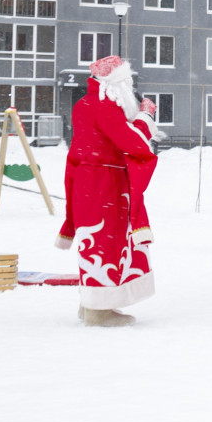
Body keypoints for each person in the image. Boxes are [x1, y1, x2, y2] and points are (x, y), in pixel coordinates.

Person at [54, 56, 160, 327]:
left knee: (95, 241)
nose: (131, 87)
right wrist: (145, 117)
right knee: (106, 242)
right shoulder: (105, 106)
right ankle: (98, 311)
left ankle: (90, 303)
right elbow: (133, 141)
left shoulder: (83, 104)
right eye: (127, 82)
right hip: (105, 183)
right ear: (116, 84)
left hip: (89, 182)